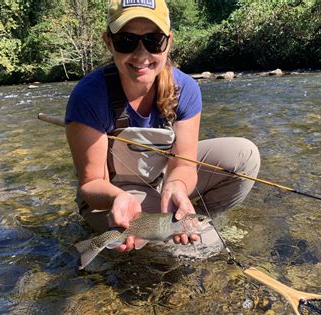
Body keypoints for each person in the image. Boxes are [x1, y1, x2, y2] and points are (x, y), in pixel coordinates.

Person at [65, 0, 260, 254]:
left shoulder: (186, 89)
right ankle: (153, 233)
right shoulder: (88, 96)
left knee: (244, 156)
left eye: (153, 41)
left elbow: (184, 165)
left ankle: (186, 214)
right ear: (108, 42)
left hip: (161, 178)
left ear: (168, 41)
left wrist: (176, 187)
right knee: (204, 248)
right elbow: (91, 183)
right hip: (112, 195)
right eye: (126, 41)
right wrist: (117, 199)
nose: (141, 54)